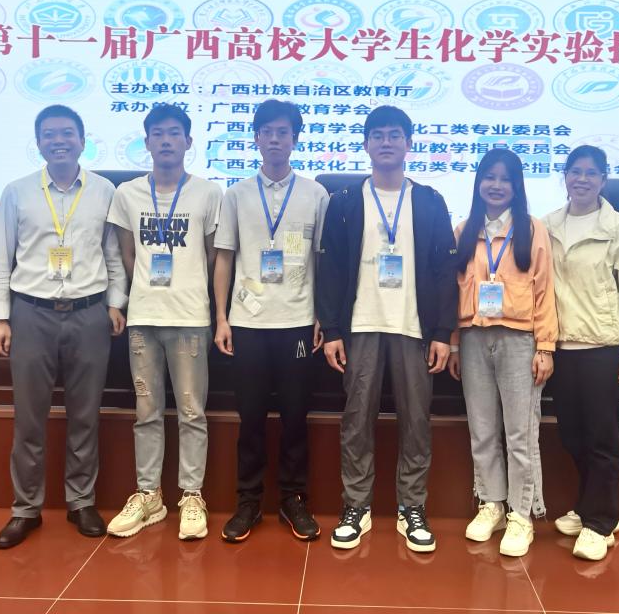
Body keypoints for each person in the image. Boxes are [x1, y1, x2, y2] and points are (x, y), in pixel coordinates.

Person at [0, 104, 127, 549]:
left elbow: (113, 254)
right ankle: (25, 508)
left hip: (89, 313)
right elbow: (1, 257)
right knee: (30, 417)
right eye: (49, 134)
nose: (59, 141)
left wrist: (116, 303)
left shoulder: (105, 191)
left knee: (85, 415)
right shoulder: (17, 192)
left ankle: (81, 502)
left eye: (67, 133)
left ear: (82, 140)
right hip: (32, 313)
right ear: (39, 142)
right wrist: (0, 317)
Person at [316, 105, 458, 554]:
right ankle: (355, 506)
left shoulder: (430, 201)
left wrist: (443, 333)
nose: (386, 142)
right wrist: (332, 330)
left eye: (395, 135)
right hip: (361, 325)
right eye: (377, 135)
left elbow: (444, 271)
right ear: (365, 144)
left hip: (414, 328)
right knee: (357, 419)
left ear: (409, 144)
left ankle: (411, 507)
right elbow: (330, 269)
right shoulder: (344, 201)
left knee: (416, 421)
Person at [213, 99, 330, 543]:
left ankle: (293, 499)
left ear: (295, 138)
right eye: (267, 132)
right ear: (257, 138)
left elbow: (322, 261)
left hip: (298, 322)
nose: (275, 139)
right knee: (251, 419)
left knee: (296, 417)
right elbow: (225, 259)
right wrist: (221, 317)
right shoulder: (236, 194)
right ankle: (248, 501)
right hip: (247, 323)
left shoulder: (315, 194)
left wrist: (320, 315)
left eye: (283, 132)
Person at [106, 104, 223, 541]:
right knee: (146, 411)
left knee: (192, 412)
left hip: (190, 317)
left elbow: (212, 257)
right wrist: (141, 293)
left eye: (175, 133)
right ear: (147, 141)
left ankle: (191, 495)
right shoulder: (127, 194)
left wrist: (185, 288)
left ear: (189, 141)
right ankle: (149, 495)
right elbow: (127, 254)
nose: (167, 140)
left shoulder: (209, 193)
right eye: (158, 133)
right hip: (143, 318)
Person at [543, 145, 619, 561]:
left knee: (602, 438)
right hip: (560, 348)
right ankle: (591, 505)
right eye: (575, 171)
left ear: (603, 180)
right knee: (572, 435)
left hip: (601, 347)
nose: (582, 179)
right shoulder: (547, 226)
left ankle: (601, 522)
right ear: (564, 176)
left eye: (591, 173)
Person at [448, 149, 557, 557]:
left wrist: (545, 346)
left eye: (505, 179)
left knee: (520, 433)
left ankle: (521, 513)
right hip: (473, 339)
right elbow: (453, 290)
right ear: (478, 182)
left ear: (517, 186)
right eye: (489, 177)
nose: (496, 185)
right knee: (482, 430)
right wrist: (455, 343)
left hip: (519, 340)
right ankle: (491, 503)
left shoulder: (531, 229)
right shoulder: (464, 230)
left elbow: (545, 290)